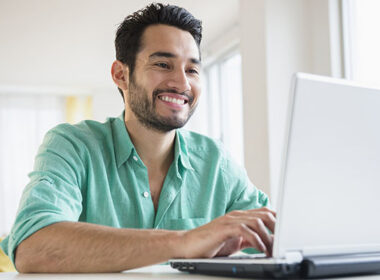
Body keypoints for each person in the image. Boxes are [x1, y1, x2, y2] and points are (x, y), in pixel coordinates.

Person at [0, 3, 276, 273]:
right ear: (121, 75)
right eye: (162, 64)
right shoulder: (72, 146)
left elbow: (283, 236)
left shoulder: (217, 162)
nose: (182, 84)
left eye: (192, 70)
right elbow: (32, 247)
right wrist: (185, 241)